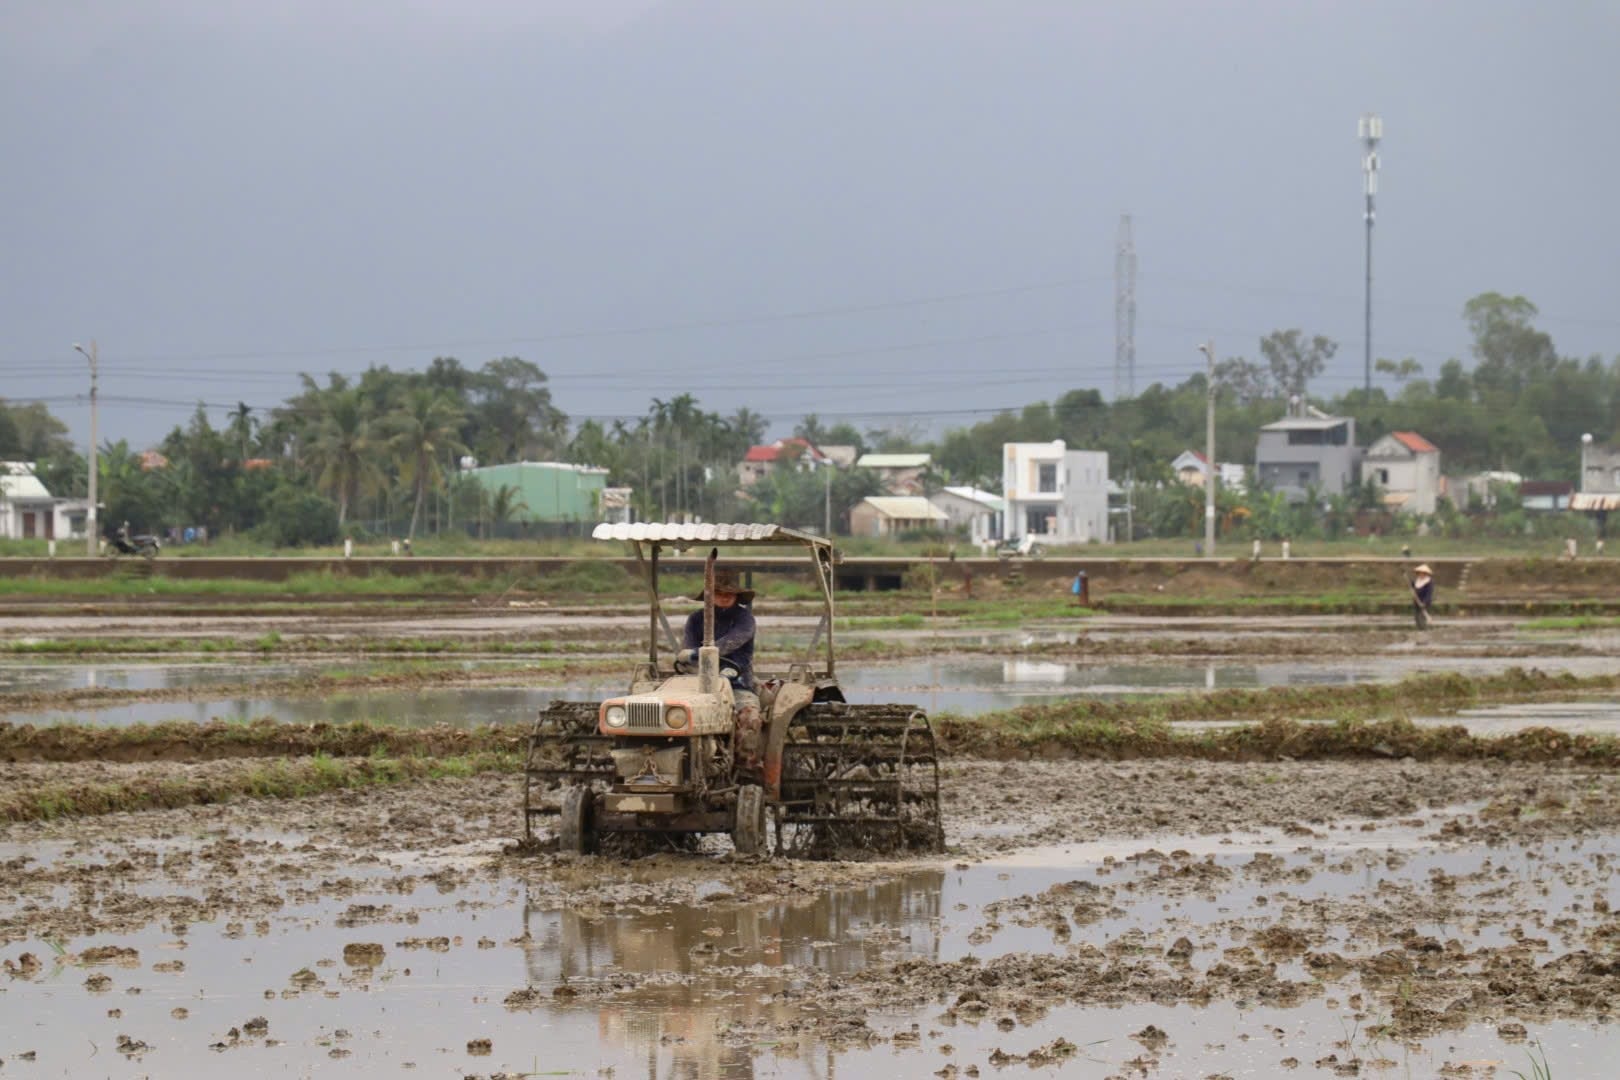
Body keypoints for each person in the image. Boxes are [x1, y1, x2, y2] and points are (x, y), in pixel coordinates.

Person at [677, 568, 762, 771]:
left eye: (729, 594)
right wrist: (689, 655)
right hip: (698, 682)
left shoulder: (745, 620)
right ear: (710, 596)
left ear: (736, 596)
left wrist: (696, 653)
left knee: (749, 717)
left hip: (736, 682)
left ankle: (744, 768)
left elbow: (730, 643)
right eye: (719, 593)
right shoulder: (696, 619)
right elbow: (688, 647)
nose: (724, 597)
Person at [1409, 563, 1434, 630]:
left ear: (1426, 573)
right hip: (1416, 602)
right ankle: (1419, 630)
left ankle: (1424, 630)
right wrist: (1411, 585)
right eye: (1419, 573)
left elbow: (1429, 594)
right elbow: (1413, 586)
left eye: (1422, 573)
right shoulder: (1417, 580)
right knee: (1416, 617)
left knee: (1422, 617)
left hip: (1424, 603)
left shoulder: (1429, 582)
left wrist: (1424, 603)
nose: (1421, 574)